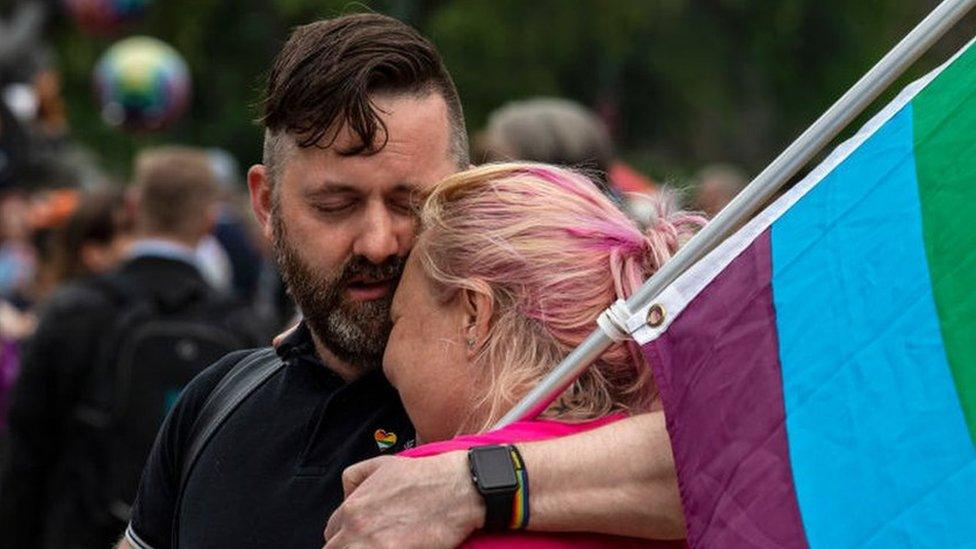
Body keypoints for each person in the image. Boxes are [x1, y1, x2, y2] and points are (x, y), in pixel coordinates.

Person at [121, 14, 685, 549]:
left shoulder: (536, 385)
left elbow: (729, 457)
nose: (378, 241)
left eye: (410, 202)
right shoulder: (216, 401)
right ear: (267, 204)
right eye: (336, 205)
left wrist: (475, 483)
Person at [377, 162, 701, 547]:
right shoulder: (700, 490)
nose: (386, 361)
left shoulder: (414, 508)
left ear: (474, 314)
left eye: (397, 319)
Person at [0, 146, 267, 549]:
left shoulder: (74, 310)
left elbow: (26, 453)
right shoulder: (242, 326)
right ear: (209, 221)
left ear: (131, 207)